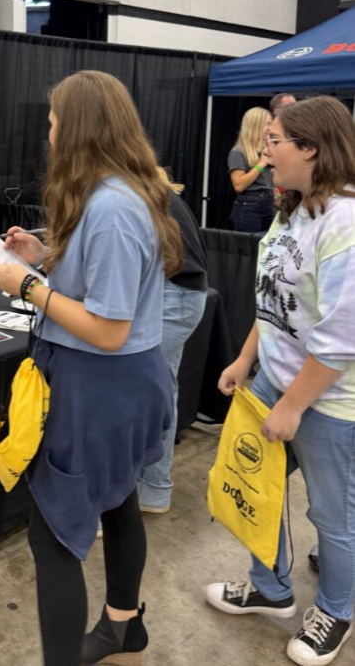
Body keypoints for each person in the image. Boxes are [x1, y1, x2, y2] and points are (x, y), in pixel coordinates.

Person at [0, 70, 183, 666]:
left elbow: (109, 326)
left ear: (77, 128)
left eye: (52, 123)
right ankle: (124, 629)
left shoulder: (112, 207)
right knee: (117, 501)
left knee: (53, 537)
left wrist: (27, 286)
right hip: (108, 386)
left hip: (100, 390)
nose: (47, 135)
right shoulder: (115, 196)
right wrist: (45, 258)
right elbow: (100, 286)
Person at [207, 96, 355, 666]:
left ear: (311, 148)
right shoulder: (291, 209)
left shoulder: (344, 221)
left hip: (329, 403)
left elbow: (342, 338)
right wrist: (248, 359)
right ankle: (269, 588)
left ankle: (337, 611)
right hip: (276, 381)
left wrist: (292, 406)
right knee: (252, 490)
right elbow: (276, 302)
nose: (264, 153)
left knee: (332, 517)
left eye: (274, 141)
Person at [137, 170, 208, 514]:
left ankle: (121, 499)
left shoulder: (134, 193)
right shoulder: (155, 189)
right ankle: (153, 490)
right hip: (181, 295)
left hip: (172, 296)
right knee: (161, 392)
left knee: (136, 396)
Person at [228, 107, 275, 233]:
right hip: (249, 207)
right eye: (267, 124)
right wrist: (261, 164)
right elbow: (238, 185)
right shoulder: (239, 152)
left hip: (269, 204)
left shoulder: (266, 150)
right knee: (249, 249)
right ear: (256, 125)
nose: (270, 129)